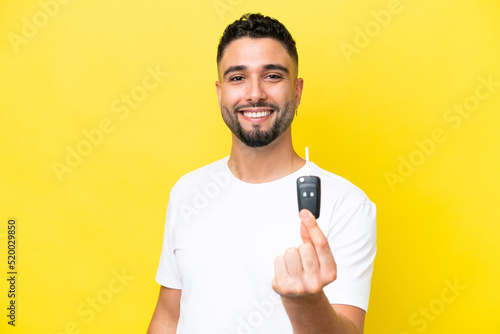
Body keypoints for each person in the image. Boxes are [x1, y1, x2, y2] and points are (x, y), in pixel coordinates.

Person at [147, 13, 376, 334]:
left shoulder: (346, 203)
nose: (254, 93)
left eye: (272, 76)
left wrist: (306, 302)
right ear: (220, 91)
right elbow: (169, 317)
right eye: (238, 78)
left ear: (297, 91)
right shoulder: (188, 190)